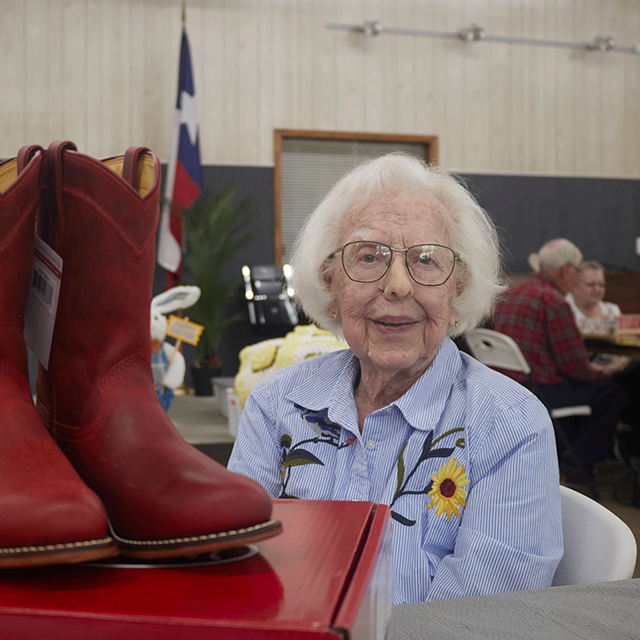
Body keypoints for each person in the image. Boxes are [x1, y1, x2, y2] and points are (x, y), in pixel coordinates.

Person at [228, 153, 563, 604]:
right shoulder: (276, 405)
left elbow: (476, 623)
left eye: (427, 259)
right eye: (369, 257)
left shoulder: (510, 425)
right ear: (330, 283)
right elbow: (235, 565)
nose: (399, 285)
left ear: (458, 286)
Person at [493, 240, 626, 479]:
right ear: (566, 270)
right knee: (612, 393)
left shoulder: (512, 292)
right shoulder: (553, 301)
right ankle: (578, 463)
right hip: (541, 389)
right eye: (576, 271)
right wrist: (604, 371)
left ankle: (567, 455)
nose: (576, 279)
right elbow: (575, 367)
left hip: (505, 385)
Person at [567, 261, 640, 457]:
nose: (597, 289)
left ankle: (629, 437)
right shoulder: (566, 309)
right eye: (591, 284)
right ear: (575, 285)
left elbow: (627, 344)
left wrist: (619, 364)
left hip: (616, 368)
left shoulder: (611, 310)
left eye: (601, 285)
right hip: (582, 374)